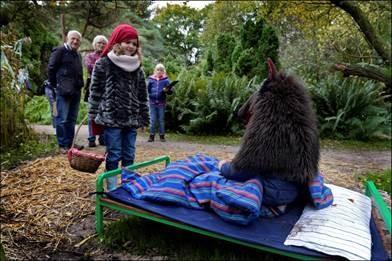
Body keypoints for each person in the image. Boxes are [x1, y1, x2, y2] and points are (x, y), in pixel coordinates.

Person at [88, 24, 149, 191]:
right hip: (111, 118)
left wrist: (144, 117)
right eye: (127, 42)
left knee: (129, 153)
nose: (130, 46)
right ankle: (113, 188)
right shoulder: (104, 63)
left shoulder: (138, 68)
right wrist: (92, 113)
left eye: (134, 44)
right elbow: (95, 91)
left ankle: (128, 186)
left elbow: (143, 95)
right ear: (117, 42)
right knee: (114, 153)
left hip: (131, 118)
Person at [47, 30, 84, 154]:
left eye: (78, 40)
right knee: (62, 118)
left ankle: (70, 144)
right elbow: (51, 68)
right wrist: (55, 86)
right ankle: (63, 145)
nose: (75, 41)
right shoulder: (59, 51)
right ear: (67, 38)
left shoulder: (77, 54)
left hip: (76, 91)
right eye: (73, 38)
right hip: (62, 91)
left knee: (72, 119)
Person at [84, 35, 108, 147]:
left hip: (106, 89)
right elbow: (90, 67)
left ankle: (102, 138)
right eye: (99, 42)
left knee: (104, 113)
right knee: (92, 114)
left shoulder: (108, 57)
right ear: (94, 44)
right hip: (93, 88)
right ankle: (91, 138)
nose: (101, 45)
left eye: (104, 43)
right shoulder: (89, 56)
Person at [147, 64, 173, 142]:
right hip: (152, 103)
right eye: (158, 70)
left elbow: (171, 92)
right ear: (155, 71)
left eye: (161, 70)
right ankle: (151, 136)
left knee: (161, 120)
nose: (159, 71)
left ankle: (162, 136)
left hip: (161, 103)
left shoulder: (166, 80)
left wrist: (167, 90)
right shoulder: (151, 80)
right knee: (152, 120)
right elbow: (147, 90)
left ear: (163, 71)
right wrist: (150, 95)